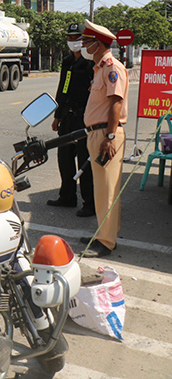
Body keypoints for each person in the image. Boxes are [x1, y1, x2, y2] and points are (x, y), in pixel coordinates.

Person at [79, 20, 129, 258]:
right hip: (97, 133)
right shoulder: (100, 68)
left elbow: (116, 103)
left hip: (106, 134)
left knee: (107, 190)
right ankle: (103, 234)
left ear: (96, 44)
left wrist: (109, 137)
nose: (82, 46)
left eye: (86, 42)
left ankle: (106, 242)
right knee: (101, 189)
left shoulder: (112, 67)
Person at [47, 22, 96, 217]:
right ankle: (67, 197)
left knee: (84, 162)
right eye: (70, 38)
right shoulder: (67, 62)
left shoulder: (91, 63)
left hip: (83, 118)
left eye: (77, 38)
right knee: (65, 159)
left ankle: (89, 203)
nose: (73, 41)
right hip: (67, 117)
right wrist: (57, 115)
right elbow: (63, 89)